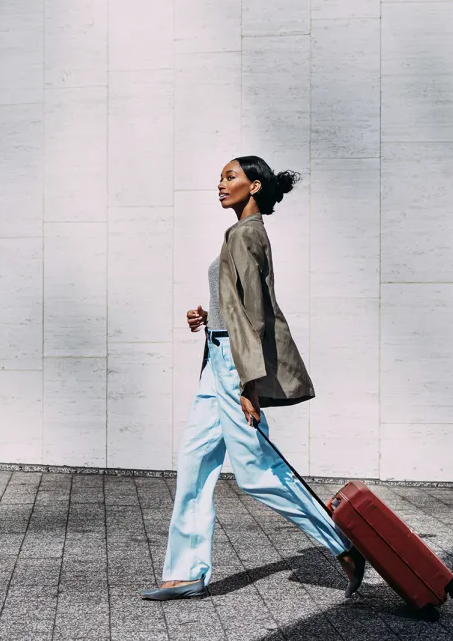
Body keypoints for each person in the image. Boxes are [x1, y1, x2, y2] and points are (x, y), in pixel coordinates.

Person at [139, 156, 366, 601]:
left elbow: (254, 317)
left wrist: (248, 386)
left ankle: (342, 545)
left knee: (257, 470)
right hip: (219, 359)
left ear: (255, 186)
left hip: (233, 366)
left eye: (231, 177)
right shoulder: (242, 234)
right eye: (220, 178)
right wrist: (206, 316)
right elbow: (236, 305)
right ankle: (185, 573)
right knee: (194, 464)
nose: (220, 184)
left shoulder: (244, 235)